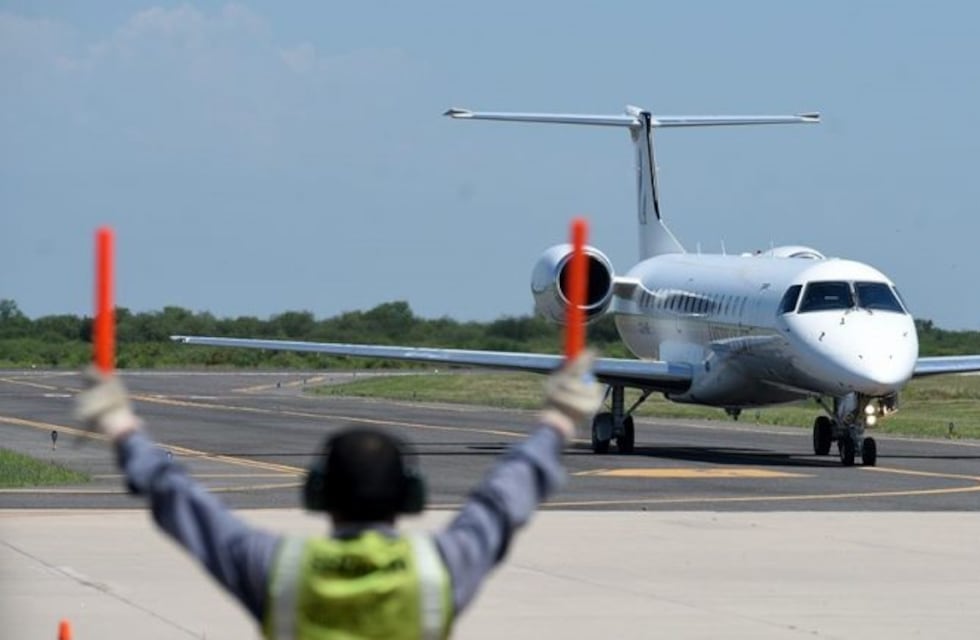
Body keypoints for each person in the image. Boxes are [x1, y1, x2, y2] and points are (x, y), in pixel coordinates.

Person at [74, 351, 604, 639]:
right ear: (410, 496)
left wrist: (120, 426)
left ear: (317, 493)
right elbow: (503, 499)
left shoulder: (277, 569)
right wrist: (558, 421)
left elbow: (181, 501)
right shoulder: (438, 570)